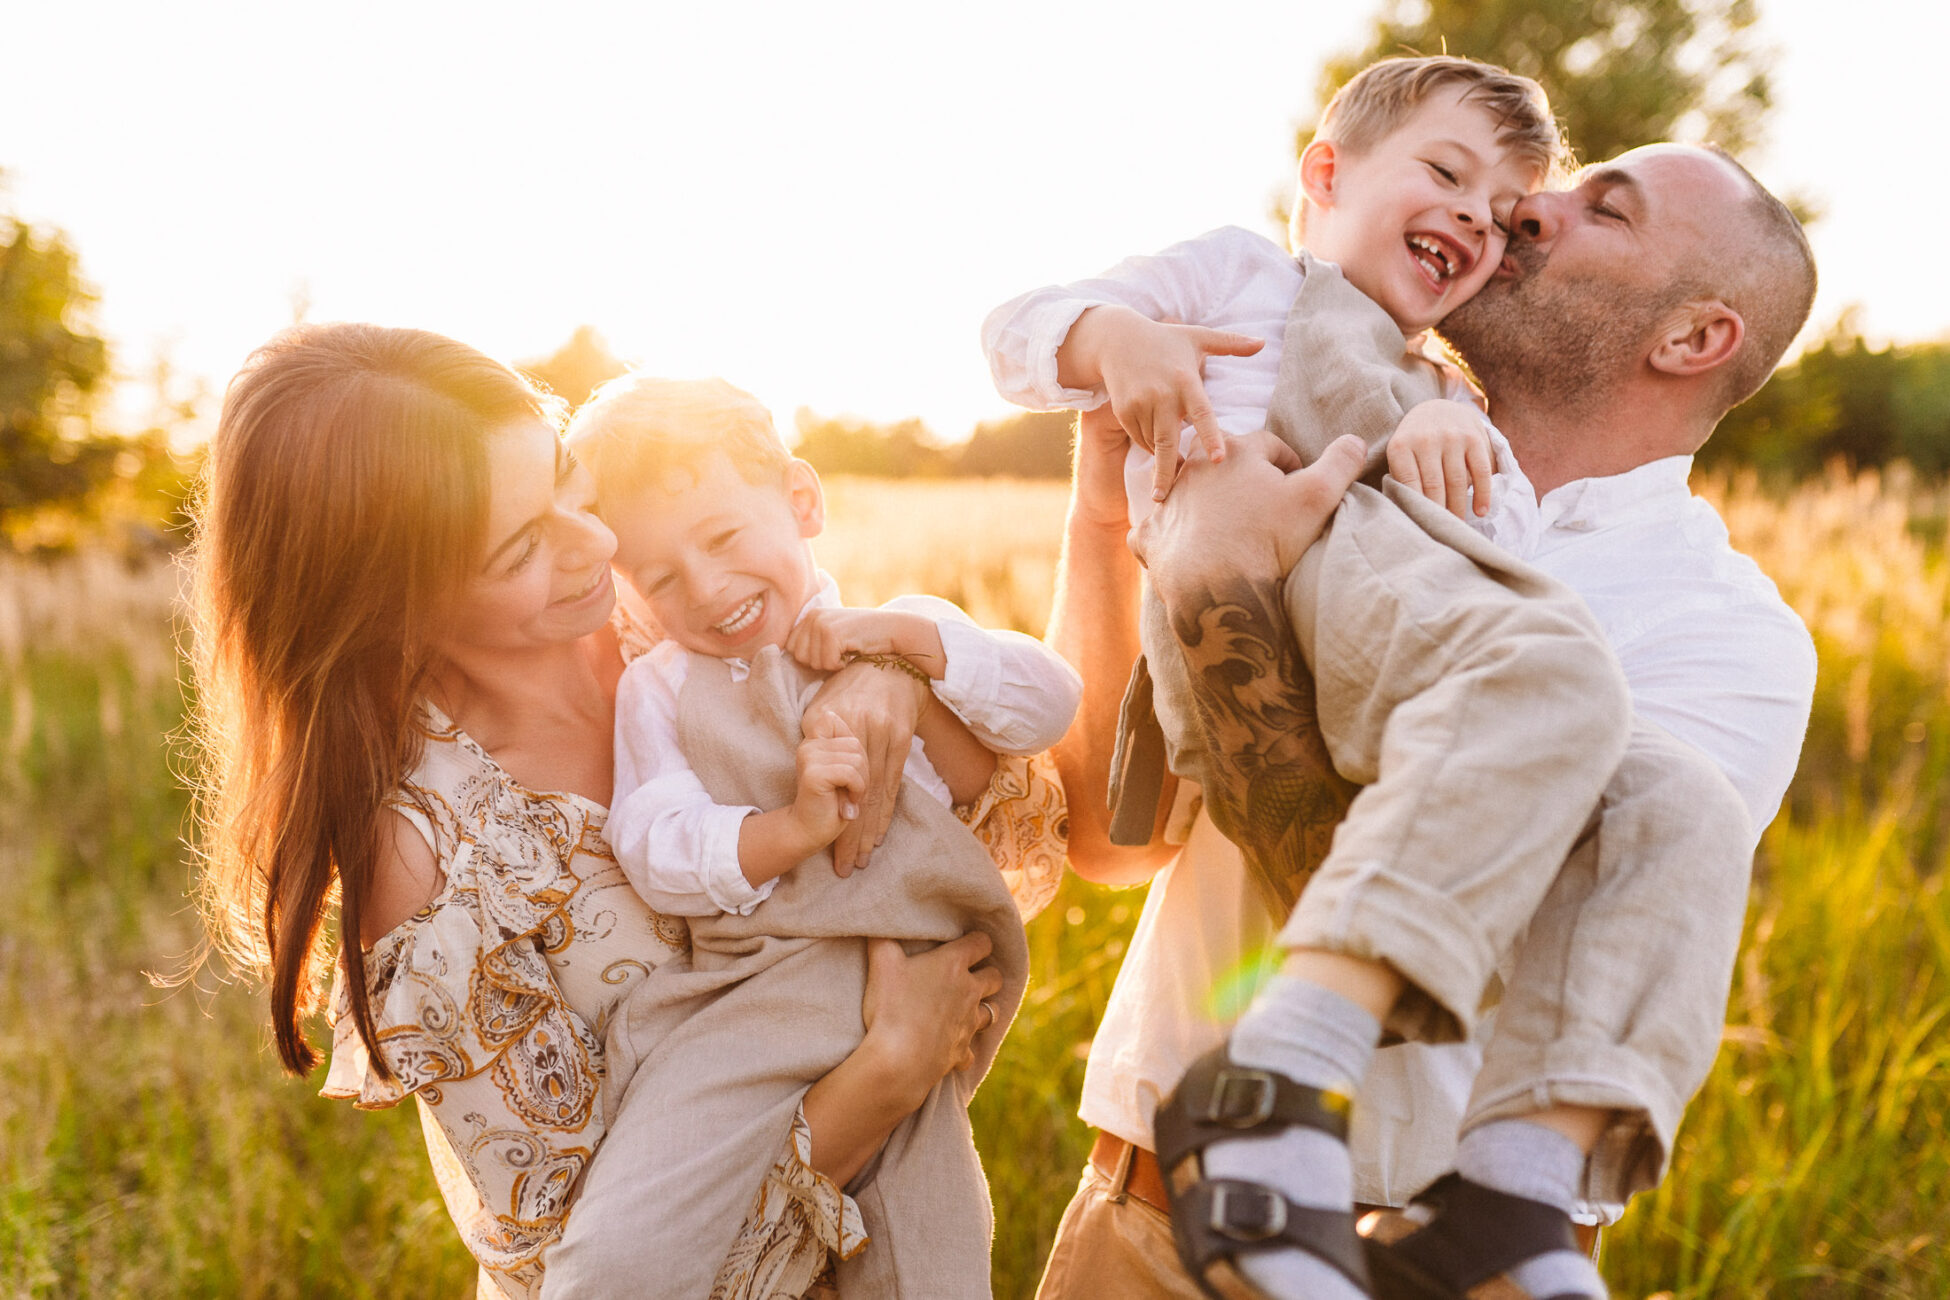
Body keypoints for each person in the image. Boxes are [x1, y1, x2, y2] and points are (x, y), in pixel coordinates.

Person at [997, 104, 1815, 1300]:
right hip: (1155, 1230)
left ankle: (1440, 1170)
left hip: (1456, 1277)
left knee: (1637, 772)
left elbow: (1475, 928)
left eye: (1605, 210)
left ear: (1696, 335)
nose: (1530, 207)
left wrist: (1225, 584)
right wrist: (1111, 514)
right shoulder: (1294, 439)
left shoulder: (1728, 635)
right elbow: (1108, 846)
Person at [185, 324, 1039, 1300]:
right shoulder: (427, 861)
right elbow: (580, 1267)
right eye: (520, 548)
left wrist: (895, 679)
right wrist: (888, 1072)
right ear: (396, 606)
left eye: (566, 480)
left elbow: (1017, 826)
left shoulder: (677, 618)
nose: (597, 543)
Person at [546, 374, 1079, 1297]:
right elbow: (654, 841)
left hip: (920, 978)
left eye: (722, 539)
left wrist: (913, 648)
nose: (708, 590)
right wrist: (786, 830)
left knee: (930, 1257)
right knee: (620, 1259)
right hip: (757, 995)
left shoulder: (900, 630)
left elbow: (1049, 703)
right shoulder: (663, 687)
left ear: (801, 501)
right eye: (663, 577)